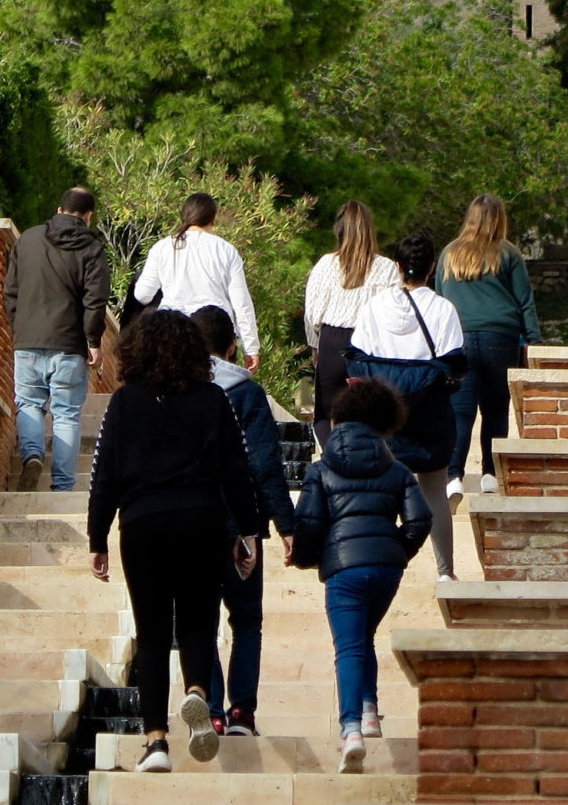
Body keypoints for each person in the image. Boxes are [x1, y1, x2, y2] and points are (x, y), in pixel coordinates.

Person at [86, 308, 265, 772]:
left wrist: (97, 536)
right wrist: (248, 530)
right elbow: (237, 473)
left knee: (150, 634)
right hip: (201, 521)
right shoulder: (213, 399)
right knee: (198, 623)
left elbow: (104, 476)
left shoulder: (124, 403)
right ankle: (197, 693)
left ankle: (156, 743)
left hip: (143, 524)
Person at [289, 378, 433, 773]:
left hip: (344, 567)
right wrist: (398, 551)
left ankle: (351, 728)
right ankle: (369, 710)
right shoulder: (397, 468)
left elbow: (310, 522)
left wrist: (302, 558)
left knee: (349, 645)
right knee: (364, 636)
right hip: (386, 569)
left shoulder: (321, 470)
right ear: (385, 422)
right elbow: (421, 519)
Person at [192, 305, 298, 737]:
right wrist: (285, 525)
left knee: (201, 618)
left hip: (194, 523)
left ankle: (212, 709)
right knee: (247, 618)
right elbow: (264, 465)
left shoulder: (180, 393)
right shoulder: (248, 395)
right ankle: (242, 713)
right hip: (242, 524)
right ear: (232, 347)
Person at [345, 232, 469, 579]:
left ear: (397, 266)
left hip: (383, 412)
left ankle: (376, 561)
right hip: (430, 412)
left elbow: (357, 359)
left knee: (380, 490)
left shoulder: (374, 306)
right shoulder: (444, 309)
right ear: (432, 268)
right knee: (434, 491)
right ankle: (445, 571)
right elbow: (455, 365)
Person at [431, 194, 541, 502]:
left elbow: (440, 300)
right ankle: (491, 475)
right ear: (499, 219)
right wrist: (534, 341)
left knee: (459, 412)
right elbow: (524, 302)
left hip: (459, 339)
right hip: (500, 338)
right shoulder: (508, 254)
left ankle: (453, 476)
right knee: (495, 409)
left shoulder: (449, 254)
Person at [3, 186, 111, 492]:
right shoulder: (92, 249)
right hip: (69, 345)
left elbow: (11, 292)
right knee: (66, 413)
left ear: (59, 209)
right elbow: (95, 301)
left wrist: (20, 326)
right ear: (88, 216)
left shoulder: (29, 239)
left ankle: (33, 455)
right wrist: (93, 341)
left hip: (28, 340)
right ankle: (62, 486)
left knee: (28, 404)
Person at [127, 192, 261, 373]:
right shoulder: (226, 250)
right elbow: (241, 303)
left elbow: (143, 294)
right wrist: (251, 347)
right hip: (214, 333)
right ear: (213, 219)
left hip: (172, 332)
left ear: (184, 216)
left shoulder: (163, 247)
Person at [302, 200, 401, 429]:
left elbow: (312, 313)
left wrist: (315, 346)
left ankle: (335, 458)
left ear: (339, 230)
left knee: (328, 415)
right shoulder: (387, 268)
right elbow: (395, 314)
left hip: (332, 341)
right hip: (370, 343)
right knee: (370, 415)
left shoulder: (325, 265)